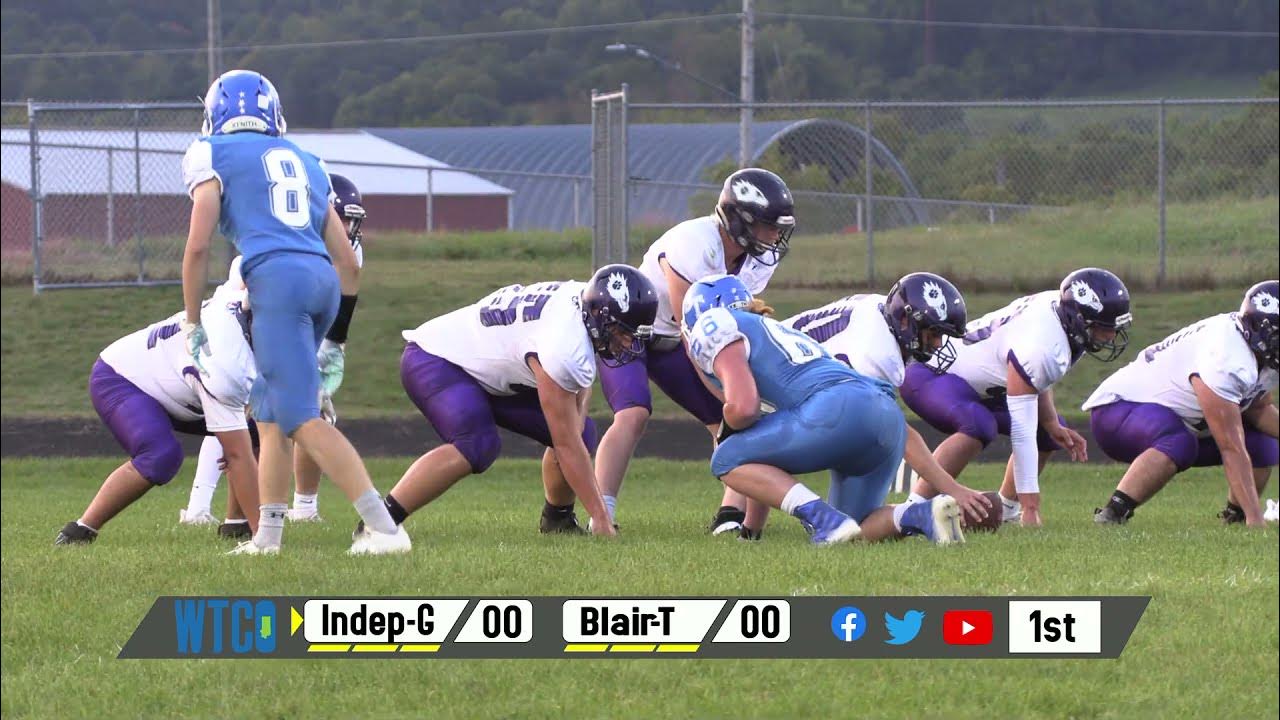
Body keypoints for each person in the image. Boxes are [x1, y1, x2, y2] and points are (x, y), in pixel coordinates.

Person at [180, 69, 406, 555]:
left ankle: (385, 529)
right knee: (267, 408)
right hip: (322, 281)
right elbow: (348, 261)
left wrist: (192, 322)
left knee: (301, 418)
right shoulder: (308, 161)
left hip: (275, 282)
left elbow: (197, 248)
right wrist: (337, 339)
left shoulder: (210, 153)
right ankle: (269, 536)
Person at [353, 264, 658, 540]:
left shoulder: (584, 304)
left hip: (487, 370)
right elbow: (566, 444)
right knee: (477, 443)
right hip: (436, 359)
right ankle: (378, 523)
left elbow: (573, 413)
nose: (629, 343)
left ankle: (558, 521)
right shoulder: (564, 341)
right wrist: (602, 519)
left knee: (582, 432)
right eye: (623, 332)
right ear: (600, 317)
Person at [681, 274, 966, 546]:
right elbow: (763, 453)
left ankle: (821, 519)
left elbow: (744, 410)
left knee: (725, 458)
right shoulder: (774, 333)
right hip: (885, 417)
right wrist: (751, 532)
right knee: (855, 528)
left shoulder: (715, 325)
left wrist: (728, 430)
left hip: (838, 407)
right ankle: (920, 515)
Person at [594, 168, 796, 536]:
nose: (775, 235)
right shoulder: (694, 242)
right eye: (768, 225)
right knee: (633, 413)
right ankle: (600, 514)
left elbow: (731, 321)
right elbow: (695, 331)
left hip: (678, 336)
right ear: (739, 220)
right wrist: (730, 392)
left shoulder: (757, 257)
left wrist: (736, 400)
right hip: (633, 331)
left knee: (731, 421)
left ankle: (729, 516)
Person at [180, 173, 368, 535]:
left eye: (351, 220)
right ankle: (200, 506)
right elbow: (247, 306)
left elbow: (343, 296)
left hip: (297, 323)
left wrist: (332, 346)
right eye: (340, 218)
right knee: (233, 411)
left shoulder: (348, 251)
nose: (346, 228)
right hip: (243, 322)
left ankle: (301, 509)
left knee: (307, 416)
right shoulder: (275, 250)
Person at [900, 268, 1132, 527]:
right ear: (1078, 318)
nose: (1111, 336)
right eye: (1104, 327)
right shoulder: (1041, 342)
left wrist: (1051, 422)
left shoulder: (1059, 312)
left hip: (981, 386)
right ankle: (913, 510)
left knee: (1049, 432)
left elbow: (1035, 379)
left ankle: (1007, 510)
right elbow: (1022, 428)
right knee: (979, 424)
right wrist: (1031, 506)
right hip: (931, 374)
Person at [780, 272, 993, 540]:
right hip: (793, 389)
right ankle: (751, 521)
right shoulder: (877, 352)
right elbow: (899, 432)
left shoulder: (883, 314)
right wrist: (952, 488)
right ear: (906, 320)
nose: (938, 343)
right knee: (742, 454)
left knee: (847, 532)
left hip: (806, 393)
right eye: (934, 333)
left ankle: (745, 526)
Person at [55, 270, 259, 544]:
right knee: (161, 455)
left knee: (259, 430)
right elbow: (236, 452)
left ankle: (237, 524)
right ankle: (80, 530)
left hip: (176, 384)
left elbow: (243, 267)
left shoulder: (240, 304)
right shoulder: (224, 355)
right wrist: (268, 537)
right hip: (122, 377)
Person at [1087, 280, 1278, 527]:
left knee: (1263, 444)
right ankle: (1113, 513)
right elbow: (1230, 446)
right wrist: (1258, 520)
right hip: (1118, 411)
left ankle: (1235, 518)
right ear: (1262, 330)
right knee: (1180, 442)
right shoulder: (1226, 356)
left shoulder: (1255, 346)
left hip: (1170, 419)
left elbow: (1258, 408)